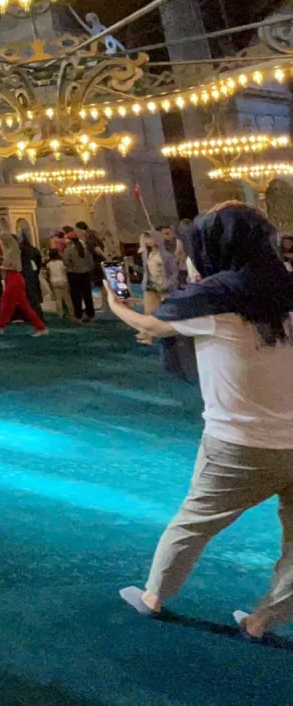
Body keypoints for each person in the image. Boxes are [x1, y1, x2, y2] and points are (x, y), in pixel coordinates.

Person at [110, 203, 293, 641]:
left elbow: (151, 327)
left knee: (193, 523)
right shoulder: (285, 287)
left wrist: (116, 305)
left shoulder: (213, 302)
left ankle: (153, 597)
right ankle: (263, 621)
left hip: (238, 442)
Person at [0, 231, 48, 335]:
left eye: (0, 240)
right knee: (21, 306)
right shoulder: (9, 250)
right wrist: (0, 259)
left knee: (6, 303)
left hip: (14, 280)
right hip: (12, 279)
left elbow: (14, 268)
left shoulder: (13, 251)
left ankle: (0, 327)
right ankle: (40, 328)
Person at [139, 230, 179, 314]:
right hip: (150, 287)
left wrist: (169, 284)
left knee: (168, 313)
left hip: (164, 287)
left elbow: (174, 272)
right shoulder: (148, 254)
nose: (147, 241)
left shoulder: (167, 256)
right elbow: (146, 270)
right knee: (149, 313)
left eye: (149, 238)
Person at [63, 232, 96, 322]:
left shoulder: (68, 250)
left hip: (74, 274)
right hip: (86, 274)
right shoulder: (85, 250)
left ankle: (78, 315)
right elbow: (91, 263)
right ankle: (90, 314)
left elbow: (66, 262)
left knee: (76, 296)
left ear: (70, 240)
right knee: (87, 295)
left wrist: (72, 267)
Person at [18, 227, 45, 315]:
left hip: (23, 273)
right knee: (34, 294)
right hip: (33, 273)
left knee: (26, 295)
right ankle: (37, 313)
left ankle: (28, 314)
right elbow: (39, 262)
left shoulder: (20, 250)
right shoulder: (34, 250)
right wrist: (36, 271)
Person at [45, 248, 75, 322]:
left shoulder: (48, 264)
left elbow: (48, 275)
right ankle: (71, 314)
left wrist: (50, 284)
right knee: (67, 299)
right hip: (63, 281)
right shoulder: (62, 262)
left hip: (54, 282)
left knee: (58, 300)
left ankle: (60, 315)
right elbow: (65, 272)